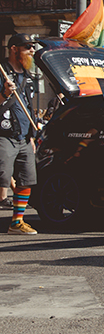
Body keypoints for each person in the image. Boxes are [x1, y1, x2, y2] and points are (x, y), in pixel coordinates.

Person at [1, 34, 39, 235]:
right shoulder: (2, 73)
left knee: (26, 179)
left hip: (24, 137)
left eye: (32, 47)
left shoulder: (28, 76)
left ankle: (17, 222)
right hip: (3, 133)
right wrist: (4, 94)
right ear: (14, 48)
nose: (32, 50)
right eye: (28, 47)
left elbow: (29, 108)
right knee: (2, 177)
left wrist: (31, 136)